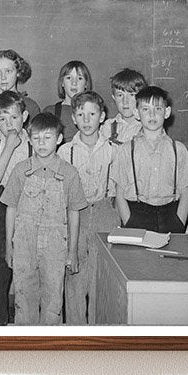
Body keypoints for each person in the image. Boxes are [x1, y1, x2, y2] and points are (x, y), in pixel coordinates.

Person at [2, 111, 87, 326]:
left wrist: (72, 251)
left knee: (53, 300)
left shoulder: (69, 173)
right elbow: (11, 208)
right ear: (30, 140)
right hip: (24, 245)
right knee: (24, 298)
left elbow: (74, 212)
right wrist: (9, 246)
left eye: (47, 137)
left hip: (56, 247)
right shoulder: (21, 171)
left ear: (59, 139)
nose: (42, 143)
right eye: (37, 138)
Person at [57, 90, 119, 325]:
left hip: (105, 213)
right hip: (75, 215)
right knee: (74, 275)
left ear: (102, 117)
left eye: (92, 114)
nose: (86, 119)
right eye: (80, 114)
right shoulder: (65, 151)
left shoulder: (114, 150)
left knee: (101, 279)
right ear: (73, 118)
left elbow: (119, 190)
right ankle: (75, 332)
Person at [112, 86, 188, 233]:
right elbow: (120, 192)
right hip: (136, 214)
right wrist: (128, 221)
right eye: (145, 109)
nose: (152, 114)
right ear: (136, 113)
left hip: (170, 215)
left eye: (158, 109)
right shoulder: (126, 149)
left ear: (167, 112)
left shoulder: (178, 149)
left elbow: (185, 192)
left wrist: (179, 222)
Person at [0, 90, 32, 325]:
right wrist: (9, 147)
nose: (9, 124)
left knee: (28, 278)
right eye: (2, 119)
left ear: (25, 116)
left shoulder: (36, 142)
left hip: (30, 207)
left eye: (14, 117)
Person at [44, 60, 92, 138]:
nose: (74, 83)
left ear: (86, 84)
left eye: (79, 78)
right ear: (62, 83)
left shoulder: (93, 111)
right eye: (69, 78)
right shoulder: (51, 112)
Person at [101, 67, 146, 145]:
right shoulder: (107, 127)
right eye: (120, 95)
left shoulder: (147, 128)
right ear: (114, 98)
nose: (125, 101)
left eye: (132, 95)